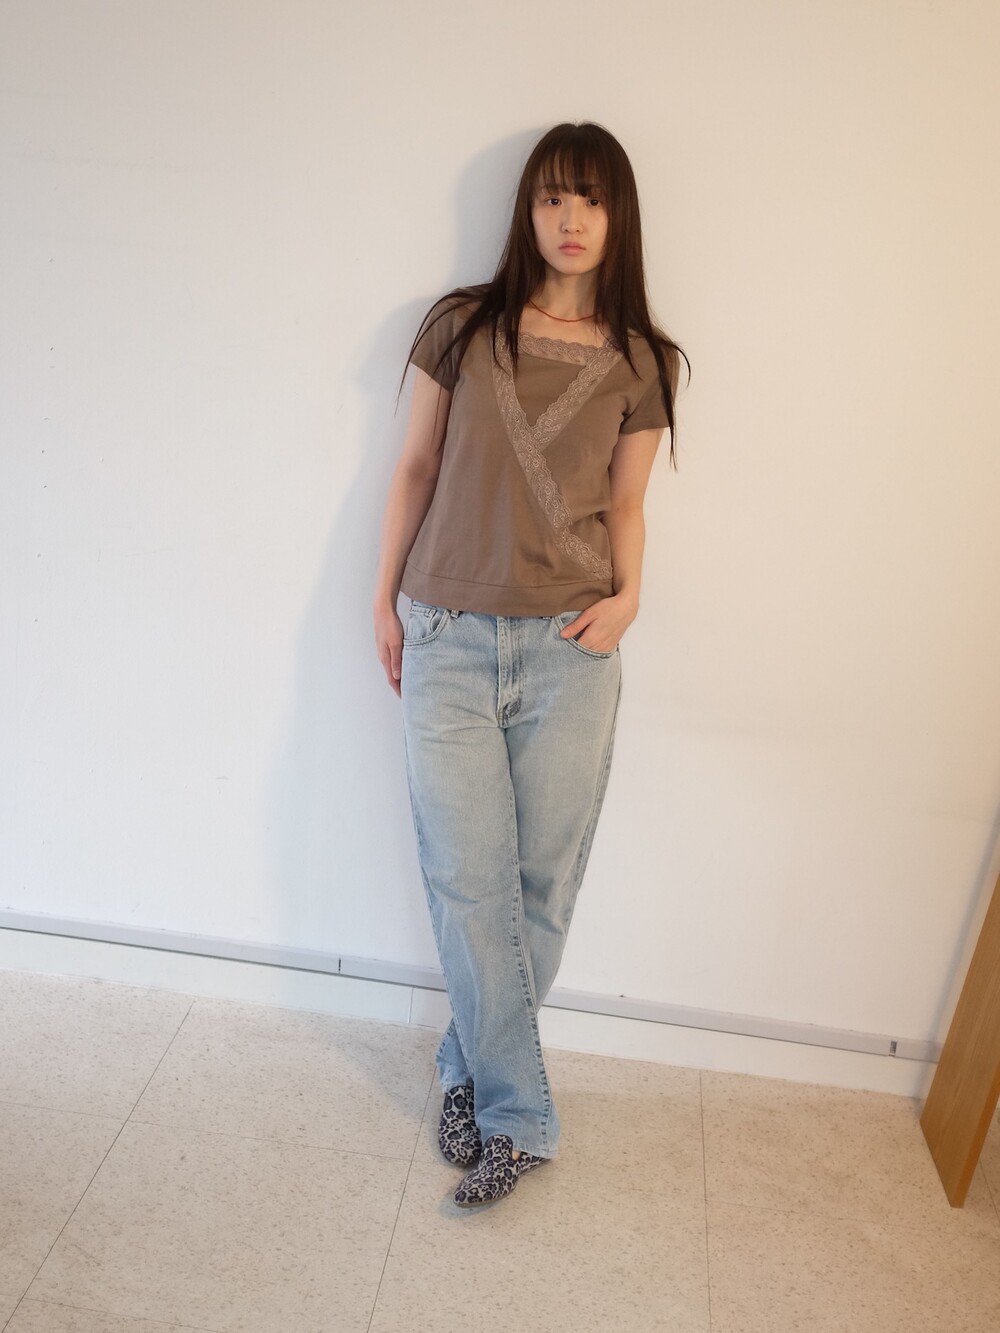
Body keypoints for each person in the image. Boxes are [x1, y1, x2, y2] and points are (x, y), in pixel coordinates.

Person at [373, 121, 686, 1208]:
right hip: (448, 634)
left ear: (618, 215)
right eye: (553, 196)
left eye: (590, 198)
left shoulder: (642, 360)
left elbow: (629, 505)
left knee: (539, 888)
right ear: (528, 209)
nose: (570, 218)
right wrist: (383, 603)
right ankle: (519, 1118)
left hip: (569, 649)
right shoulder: (461, 326)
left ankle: (466, 1073)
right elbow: (415, 468)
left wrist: (630, 599)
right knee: (469, 880)